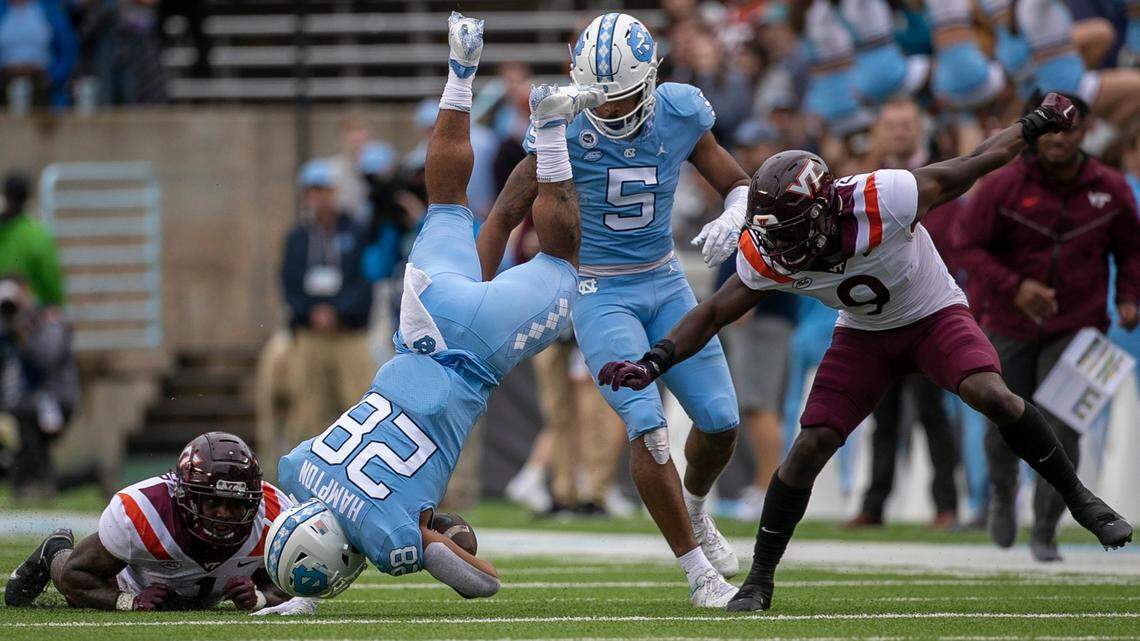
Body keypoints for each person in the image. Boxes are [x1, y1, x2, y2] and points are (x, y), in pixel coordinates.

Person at [598, 93, 1133, 612]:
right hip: (863, 333)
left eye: (790, 230)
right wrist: (655, 360)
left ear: (823, 209)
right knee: (810, 446)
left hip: (931, 314)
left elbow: (976, 161)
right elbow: (714, 312)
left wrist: (1034, 123)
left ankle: (1081, 499)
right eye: (772, 234)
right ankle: (759, 581)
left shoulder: (885, 197)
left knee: (991, 393)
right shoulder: (769, 250)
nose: (780, 246)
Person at [266, 14, 687, 606]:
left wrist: (433, 538)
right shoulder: (296, 467)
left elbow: (481, 581)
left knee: (564, 262)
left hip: (474, 355)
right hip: (423, 315)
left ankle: (550, 132)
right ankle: (461, 70)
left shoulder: (387, 539)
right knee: (446, 201)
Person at [476, 13, 749, 605]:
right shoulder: (562, 124)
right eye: (603, 97)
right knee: (649, 430)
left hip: (667, 283)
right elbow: (502, 215)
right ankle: (699, 575)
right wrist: (474, 292)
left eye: (623, 95)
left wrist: (736, 213)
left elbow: (736, 180)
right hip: (601, 294)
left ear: (651, 79)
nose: (613, 109)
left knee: (721, 423)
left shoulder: (679, 109)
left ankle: (696, 508)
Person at [955, 94, 1140, 562]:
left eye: (1070, 129)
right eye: (1051, 129)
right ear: (1036, 133)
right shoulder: (1002, 185)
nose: (1059, 139)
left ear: (1087, 132)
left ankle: (1045, 528)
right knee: (1003, 418)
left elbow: (1131, 252)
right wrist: (1015, 286)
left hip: (1079, 326)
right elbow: (967, 245)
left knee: (1065, 426)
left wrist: (1128, 296)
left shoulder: (1112, 188)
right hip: (1007, 322)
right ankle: (1002, 492)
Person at [3, 432, 313, 615]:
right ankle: (55, 551)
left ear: (253, 501)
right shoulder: (142, 511)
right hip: (133, 583)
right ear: (186, 496)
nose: (223, 514)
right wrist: (128, 601)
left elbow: (291, 587)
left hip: (203, 591)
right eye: (213, 502)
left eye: (235, 504)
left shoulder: (274, 513)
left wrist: (260, 597)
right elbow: (77, 576)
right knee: (75, 590)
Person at [279, 159, 375, 447]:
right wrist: (310, 313)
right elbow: (289, 283)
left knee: (358, 404)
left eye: (325, 190)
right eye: (314, 191)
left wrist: (338, 312)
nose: (320, 198)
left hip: (348, 334)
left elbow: (364, 279)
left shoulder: (356, 232)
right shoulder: (297, 238)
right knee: (308, 410)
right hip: (311, 334)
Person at [0, 274, 77, 500]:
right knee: (24, 429)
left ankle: (33, 484)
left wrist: (22, 332)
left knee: (25, 419)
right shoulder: (5, 328)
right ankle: (36, 483)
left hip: (55, 399)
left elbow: (47, 360)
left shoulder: (47, 320)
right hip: (25, 402)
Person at [0, 172, 64, 310]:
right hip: (31, 311)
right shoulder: (37, 235)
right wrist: (56, 303)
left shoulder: (35, 235)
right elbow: (51, 279)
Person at [0, 0, 77, 109]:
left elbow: (68, 49)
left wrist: (53, 77)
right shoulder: (2, 9)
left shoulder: (50, 10)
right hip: (4, 81)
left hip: (42, 82)